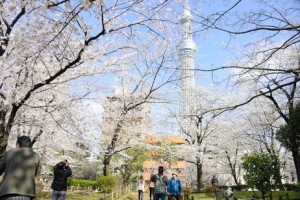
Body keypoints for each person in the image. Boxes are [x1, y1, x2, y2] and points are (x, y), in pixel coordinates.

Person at [0, 135, 40, 200]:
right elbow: (34, 173)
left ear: (18, 145)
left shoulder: (10, 152)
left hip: (8, 192)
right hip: (27, 193)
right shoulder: (36, 156)